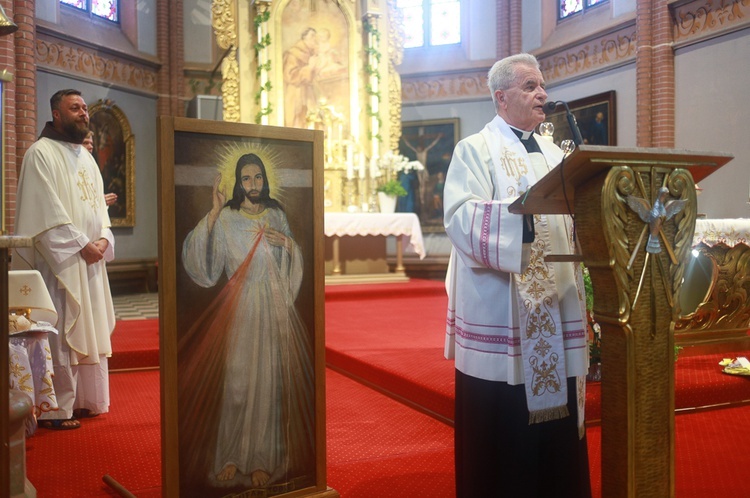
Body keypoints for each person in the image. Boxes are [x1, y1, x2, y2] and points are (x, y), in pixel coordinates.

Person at [443, 53, 591, 497]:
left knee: (557, 446)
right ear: (500, 97)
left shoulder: (558, 154)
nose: (542, 93)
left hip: (557, 303)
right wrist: (519, 222)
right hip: (503, 311)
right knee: (505, 437)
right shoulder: (474, 149)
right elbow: (458, 215)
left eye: (542, 85)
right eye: (530, 86)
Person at [179, 153, 314, 491]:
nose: (253, 185)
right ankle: (231, 456)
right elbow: (203, 262)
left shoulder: (277, 215)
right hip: (241, 306)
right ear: (238, 183)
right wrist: (213, 210)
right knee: (238, 382)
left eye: (257, 178)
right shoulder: (226, 219)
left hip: (272, 305)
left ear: (264, 180)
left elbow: (293, 258)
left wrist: (287, 243)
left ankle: (261, 461)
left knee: (267, 383)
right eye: (246, 179)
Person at [14, 89, 116, 430]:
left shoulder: (85, 157)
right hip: (61, 263)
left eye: (85, 108)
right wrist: (81, 244)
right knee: (64, 331)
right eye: (75, 108)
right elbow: (45, 213)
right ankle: (58, 409)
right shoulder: (40, 154)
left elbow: (99, 206)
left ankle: (88, 401)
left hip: (89, 261)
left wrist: (103, 237)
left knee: (89, 328)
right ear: (57, 113)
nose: (83, 113)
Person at [283, 27, 321, 128]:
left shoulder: (311, 54)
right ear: (304, 38)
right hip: (296, 94)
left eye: (315, 37)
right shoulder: (293, 53)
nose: (315, 40)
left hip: (308, 94)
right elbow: (290, 76)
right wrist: (309, 68)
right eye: (312, 36)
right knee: (297, 124)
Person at [83, 130, 117, 206]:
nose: (91, 146)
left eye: (91, 143)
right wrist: (100, 202)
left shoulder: (92, 166)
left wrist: (102, 201)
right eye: (85, 143)